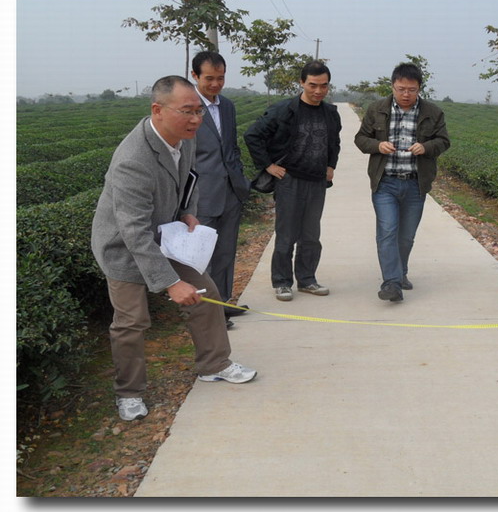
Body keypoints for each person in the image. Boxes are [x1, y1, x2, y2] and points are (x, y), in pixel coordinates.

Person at [91, 75, 257, 422]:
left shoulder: (184, 138)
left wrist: (186, 211)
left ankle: (214, 364)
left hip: (164, 234)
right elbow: (134, 232)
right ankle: (129, 393)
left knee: (206, 293)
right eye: (187, 111)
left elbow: (190, 178)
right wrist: (171, 283)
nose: (196, 119)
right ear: (158, 110)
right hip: (123, 246)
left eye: (199, 111)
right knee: (132, 321)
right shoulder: (133, 160)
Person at [244, 61, 341, 301]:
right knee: (286, 234)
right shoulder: (284, 110)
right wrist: (268, 165)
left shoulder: (330, 113)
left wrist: (331, 165)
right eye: (313, 85)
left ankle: (307, 279)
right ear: (302, 83)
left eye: (324, 86)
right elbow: (252, 135)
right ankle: (282, 282)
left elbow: (334, 142)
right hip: (290, 180)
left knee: (311, 235)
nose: (318, 91)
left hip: (316, 181)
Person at [354, 62, 450, 302]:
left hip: (415, 184)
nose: (406, 94)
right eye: (401, 89)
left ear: (419, 88)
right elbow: (361, 138)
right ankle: (392, 283)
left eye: (411, 90)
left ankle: (400, 272)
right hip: (385, 182)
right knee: (387, 231)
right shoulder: (377, 109)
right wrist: (378, 145)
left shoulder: (433, 112)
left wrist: (426, 147)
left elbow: (443, 141)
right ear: (392, 86)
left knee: (406, 236)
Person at [190, 51, 251, 325]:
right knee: (203, 257)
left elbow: (231, 146)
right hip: (201, 195)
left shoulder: (227, 106)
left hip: (230, 191)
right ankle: (207, 312)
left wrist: (240, 179)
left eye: (221, 78)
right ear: (195, 76)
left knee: (226, 251)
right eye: (209, 78)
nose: (215, 84)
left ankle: (223, 302)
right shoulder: (188, 107)